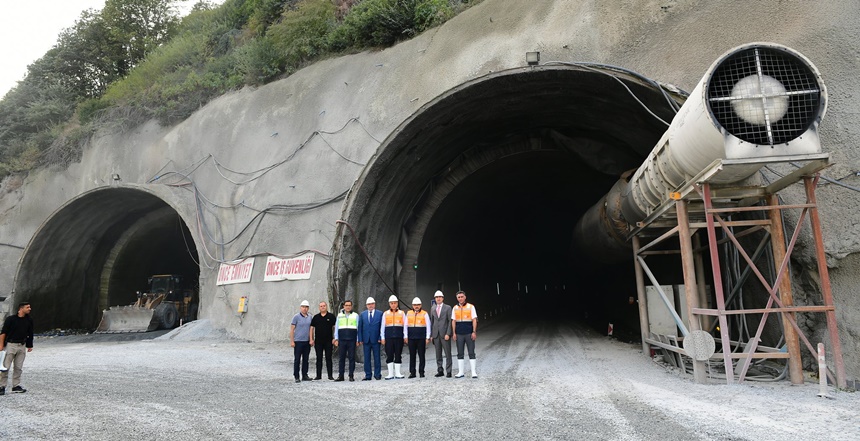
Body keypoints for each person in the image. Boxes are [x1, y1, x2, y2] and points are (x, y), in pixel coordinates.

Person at [0, 302, 34, 395]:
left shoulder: (29, 320)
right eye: (27, 307)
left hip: (21, 345)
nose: (29, 309)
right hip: (11, 345)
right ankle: (2, 386)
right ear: (21, 308)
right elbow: (3, 332)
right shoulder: (11, 319)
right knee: (5, 367)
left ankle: (16, 385)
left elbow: (30, 333)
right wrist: (1, 345)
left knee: (18, 367)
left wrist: (30, 345)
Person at [451, 291, 478, 378]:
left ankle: (473, 372)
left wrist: (474, 331)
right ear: (457, 298)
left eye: (462, 297)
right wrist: (454, 333)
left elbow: (474, 319)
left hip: (469, 333)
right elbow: (453, 321)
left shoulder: (471, 307)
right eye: (459, 297)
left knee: (471, 352)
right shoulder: (455, 308)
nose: (460, 298)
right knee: (460, 353)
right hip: (459, 334)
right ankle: (461, 372)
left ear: (465, 297)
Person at [357, 297, 383, 380]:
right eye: (369, 304)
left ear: (374, 304)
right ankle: (368, 375)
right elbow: (360, 327)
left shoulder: (380, 314)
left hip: (376, 339)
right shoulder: (362, 314)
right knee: (366, 358)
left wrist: (380, 337)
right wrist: (360, 339)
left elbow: (381, 327)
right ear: (366, 305)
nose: (370, 305)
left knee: (377, 357)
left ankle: (377, 374)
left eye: (372, 304)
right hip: (366, 339)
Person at [381, 295, 407, 380]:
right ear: (389, 304)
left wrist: (405, 336)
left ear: (397, 303)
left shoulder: (402, 313)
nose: (393, 305)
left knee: (398, 354)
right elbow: (382, 326)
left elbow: (405, 326)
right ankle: (390, 373)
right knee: (389, 354)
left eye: (395, 303)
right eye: (391, 303)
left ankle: (398, 373)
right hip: (389, 337)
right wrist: (382, 337)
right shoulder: (385, 313)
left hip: (399, 337)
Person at [333, 300, 359, 382]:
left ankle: (351, 375)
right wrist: (336, 338)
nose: (348, 307)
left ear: (351, 306)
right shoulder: (339, 316)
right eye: (346, 305)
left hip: (352, 340)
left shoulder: (355, 315)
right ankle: (341, 376)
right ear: (343, 306)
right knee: (341, 358)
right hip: (342, 340)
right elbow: (336, 328)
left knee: (352, 358)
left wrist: (358, 339)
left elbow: (358, 328)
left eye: (349, 305)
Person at [429, 290, 453, 377]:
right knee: (438, 353)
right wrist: (431, 334)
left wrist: (448, 333)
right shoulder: (433, 308)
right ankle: (440, 370)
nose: (438, 298)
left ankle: (449, 371)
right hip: (436, 334)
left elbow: (450, 321)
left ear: (443, 298)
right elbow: (432, 321)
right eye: (436, 297)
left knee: (447, 353)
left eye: (440, 297)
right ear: (435, 299)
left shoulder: (448, 308)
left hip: (445, 334)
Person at [406, 297, 431, 378]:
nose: (416, 306)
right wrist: (405, 336)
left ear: (420, 305)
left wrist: (427, 337)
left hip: (421, 338)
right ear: (412, 305)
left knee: (421, 355)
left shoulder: (425, 313)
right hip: (411, 338)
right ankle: (412, 372)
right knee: (412, 356)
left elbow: (428, 326)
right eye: (415, 305)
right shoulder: (409, 313)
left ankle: (421, 372)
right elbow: (405, 326)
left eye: (418, 305)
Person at [310, 301, 336, 380]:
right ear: (319, 307)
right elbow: (311, 328)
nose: (323, 307)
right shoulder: (316, 317)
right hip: (318, 342)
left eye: (324, 306)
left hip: (328, 341)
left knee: (329, 358)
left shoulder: (331, 316)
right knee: (319, 358)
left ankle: (330, 376)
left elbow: (335, 327)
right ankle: (318, 376)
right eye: (321, 306)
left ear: (326, 306)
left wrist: (335, 338)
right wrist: (311, 339)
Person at [290, 300, 314, 383]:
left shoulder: (310, 317)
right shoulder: (296, 317)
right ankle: (296, 375)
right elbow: (292, 329)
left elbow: (311, 329)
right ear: (300, 308)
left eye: (306, 307)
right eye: (303, 307)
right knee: (297, 359)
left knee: (306, 359)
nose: (305, 309)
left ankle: (305, 375)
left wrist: (311, 339)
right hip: (298, 341)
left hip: (306, 341)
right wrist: (292, 341)